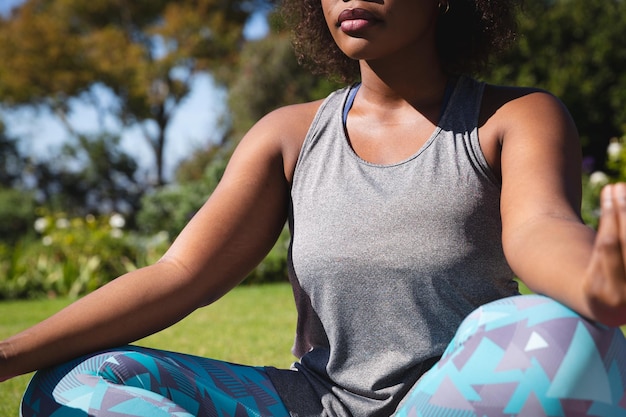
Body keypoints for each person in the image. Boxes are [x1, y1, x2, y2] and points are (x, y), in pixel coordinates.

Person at [2, 0, 626, 415]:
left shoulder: (511, 117)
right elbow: (179, 276)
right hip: (315, 402)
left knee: (566, 339)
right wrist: (7, 355)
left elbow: (540, 227)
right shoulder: (288, 135)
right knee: (79, 384)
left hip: (454, 401)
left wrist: (592, 283)